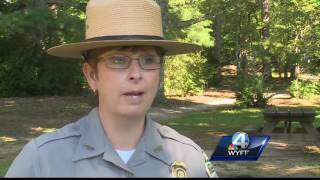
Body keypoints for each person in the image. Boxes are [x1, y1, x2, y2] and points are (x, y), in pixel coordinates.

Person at [5, 0, 218, 177]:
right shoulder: (43, 161)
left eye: (148, 59)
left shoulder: (190, 160)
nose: (136, 73)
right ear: (91, 75)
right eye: (118, 60)